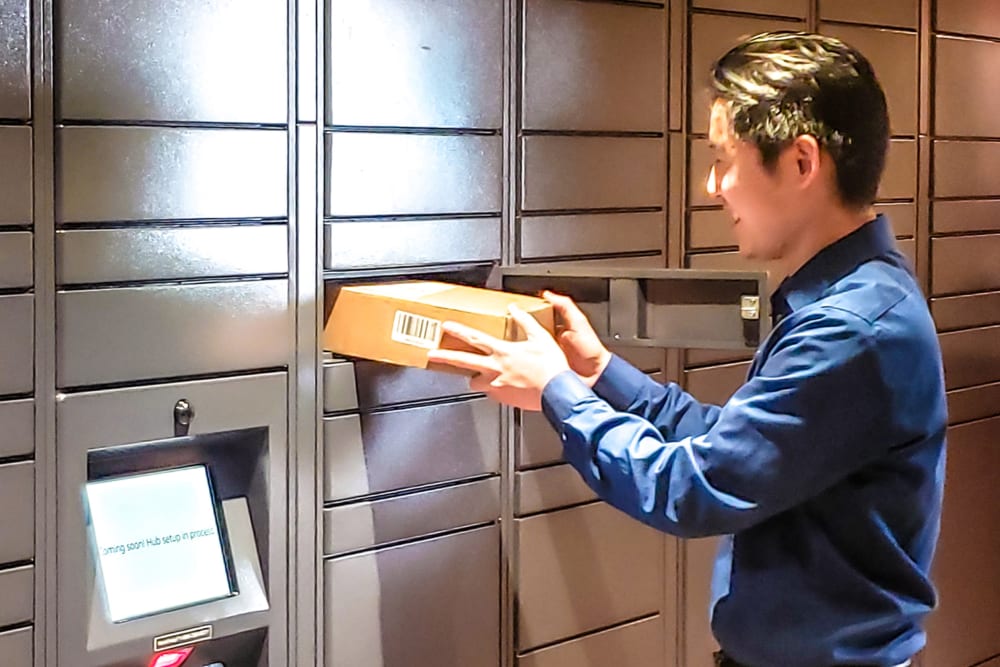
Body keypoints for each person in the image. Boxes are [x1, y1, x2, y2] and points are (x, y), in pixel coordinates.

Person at [426, 31, 947, 667]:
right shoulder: (854, 301)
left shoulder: (851, 329)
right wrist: (598, 374)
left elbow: (692, 489)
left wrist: (556, 392)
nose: (711, 185)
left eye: (724, 158)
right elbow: (734, 445)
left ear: (802, 163)